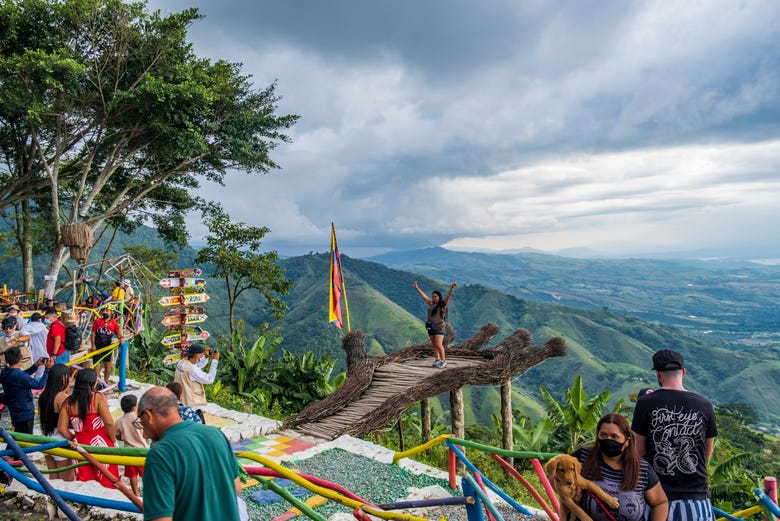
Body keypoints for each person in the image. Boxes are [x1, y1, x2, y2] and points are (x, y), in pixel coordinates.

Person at [631, 349, 718, 521]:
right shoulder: (705, 405)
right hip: (696, 498)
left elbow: (638, 452)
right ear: (683, 372)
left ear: (658, 374)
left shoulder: (645, 403)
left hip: (656, 498)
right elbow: (707, 452)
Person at [137, 386, 241, 521]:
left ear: (147, 416)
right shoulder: (216, 434)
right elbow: (236, 488)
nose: (144, 434)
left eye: (140, 423)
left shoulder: (160, 454)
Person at [572, 413, 668, 521]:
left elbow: (660, 503)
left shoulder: (642, 469)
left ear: (627, 441)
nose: (608, 440)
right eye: (603, 435)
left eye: (614, 436)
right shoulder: (583, 457)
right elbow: (555, 472)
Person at [57, 368, 119, 488]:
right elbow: (109, 423)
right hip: (101, 443)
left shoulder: (68, 402)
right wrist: (112, 440)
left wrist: (75, 437)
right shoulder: (98, 398)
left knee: (86, 481)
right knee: (107, 479)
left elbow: (61, 428)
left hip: (80, 446)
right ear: (94, 383)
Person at [0, 347, 53, 433]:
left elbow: (21, 376)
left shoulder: (4, 372)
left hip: (14, 411)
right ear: (21, 357)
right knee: (26, 439)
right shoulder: (19, 376)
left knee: (17, 436)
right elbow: (39, 386)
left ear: (6, 360)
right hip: (25, 413)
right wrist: (47, 369)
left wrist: (35, 366)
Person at [38, 363, 75, 481]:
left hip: (46, 437)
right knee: (66, 480)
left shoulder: (43, 395)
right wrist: (74, 439)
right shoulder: (63, 398)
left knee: (53, 477)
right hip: (60, 439)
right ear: (63, 378)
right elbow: (65, 424)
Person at [413, 280, 457, 368]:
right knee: (434, 344)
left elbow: (449, 296)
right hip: (431, 326)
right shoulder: (430, 303)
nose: (434, 298)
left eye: (435, 296)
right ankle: (437, 360)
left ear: (439, 297)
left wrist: (452, 287)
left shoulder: (443, 304)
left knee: (438, 344)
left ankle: (443, 361)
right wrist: (417, 288)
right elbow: (423, 296)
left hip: (440, 327)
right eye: (433, 296)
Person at [115, 394, 148, 496]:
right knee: (145, 474)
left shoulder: (119, 421)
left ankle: (136, 493)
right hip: (142, 450)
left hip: (128, 451)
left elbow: (117, 436)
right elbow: (147, 434)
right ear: (134, 407)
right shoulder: (140, 418)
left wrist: (125, 438)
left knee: (132, 475)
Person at [172, 343, 219, 409]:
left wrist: (205, 357)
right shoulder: (192, 369)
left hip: (181, 399)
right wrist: (215, 361)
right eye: (201, 355)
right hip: (191, 404)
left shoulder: (182, 362)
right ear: (196, 355)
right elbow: (209, 379)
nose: (201, 356)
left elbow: (197, 366)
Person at [91, 307, 123, 383]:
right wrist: (93, 345)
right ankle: (98, 382)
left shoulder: (114, 323)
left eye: (107, 311)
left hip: (108, 346)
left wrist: (121, 338)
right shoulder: (97, 321)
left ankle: (105, 381)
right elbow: (93, 333)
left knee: (108, 365)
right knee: (96, 365)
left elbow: (118, 333)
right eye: (103, 311)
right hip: (97, 346)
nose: (105, 312)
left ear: (111, 313)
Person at [22, 312, 49, 378]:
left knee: (30, 372)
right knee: (40, 373)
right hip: (42, 353)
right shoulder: (44, 328)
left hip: (29, 354)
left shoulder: (24, 328)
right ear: (40, 319)